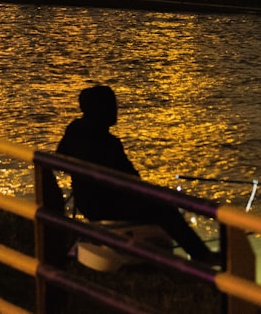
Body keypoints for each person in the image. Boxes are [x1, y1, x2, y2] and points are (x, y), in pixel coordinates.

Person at [56, 84, 219, 264]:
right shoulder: (108, 143)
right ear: (101, 109)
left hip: (85, 201)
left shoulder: (75, 130)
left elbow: (60, 158)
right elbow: (132, 179)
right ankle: (201, 256)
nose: (116, 109)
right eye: (111, 104)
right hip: (105, 204)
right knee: (165, 208)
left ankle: (196, 254)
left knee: (161, 204)